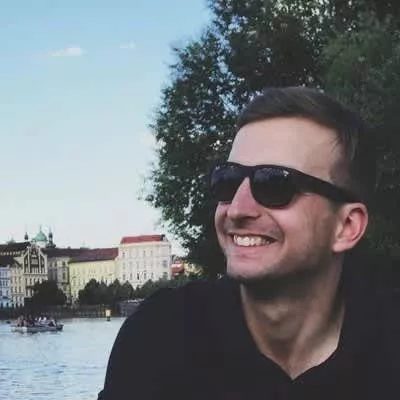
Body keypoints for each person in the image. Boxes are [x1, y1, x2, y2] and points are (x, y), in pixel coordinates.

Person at [98, 87, 400, 400]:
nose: (237, 209)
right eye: (227, 181)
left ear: (346, 226)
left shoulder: (391, 346)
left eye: (275, 183)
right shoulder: (159, 336)